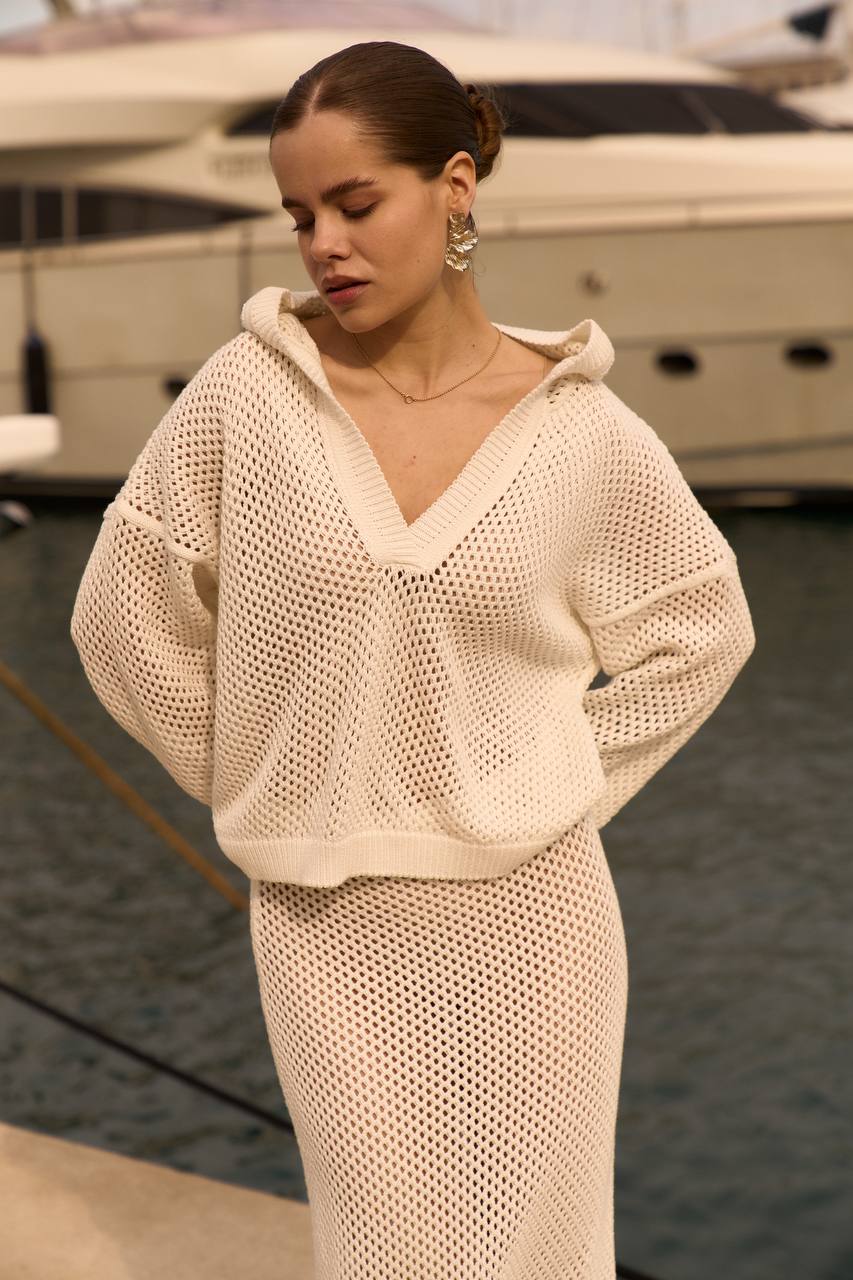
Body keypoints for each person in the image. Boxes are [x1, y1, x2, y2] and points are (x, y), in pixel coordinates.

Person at [70, 39, 756, 1280]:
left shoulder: (578, 427)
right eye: (298, 216)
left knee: (539, 1256)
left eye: (353, 203)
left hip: (536, 916)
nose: (323, 243)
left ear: (453, 188)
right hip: (325, 918)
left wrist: (547, 782)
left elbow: (699, 627)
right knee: (383, 1251)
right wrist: (263, 775)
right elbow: (123, 618)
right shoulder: (247, 398)